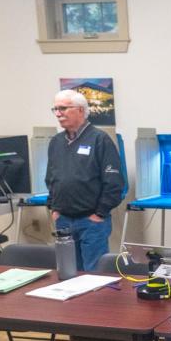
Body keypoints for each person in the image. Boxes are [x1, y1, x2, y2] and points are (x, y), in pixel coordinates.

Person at [45, 90, 124, 271]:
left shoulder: (100, 140)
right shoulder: (56, 142)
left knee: (94, 276)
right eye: (55, 109)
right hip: (63, 220)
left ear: (80, 110)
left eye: (63, 108)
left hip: (91, 221)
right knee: (68, 273)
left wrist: (100, 213)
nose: (58, 114)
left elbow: (114, 182)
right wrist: (54, 208)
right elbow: (51, 178)